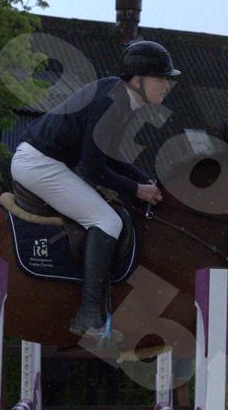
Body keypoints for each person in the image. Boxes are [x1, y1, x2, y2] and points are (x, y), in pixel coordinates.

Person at [10, 40, 174, 337]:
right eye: (160, 78)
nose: (167, 85)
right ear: (138, 80)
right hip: (39, 165)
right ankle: (88, 315)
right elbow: (92, 169)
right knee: (107, 221)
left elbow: (109, 155)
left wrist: (144, 180)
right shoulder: (110, 104)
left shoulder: (119, 97)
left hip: (46, 162)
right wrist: (137, 189)